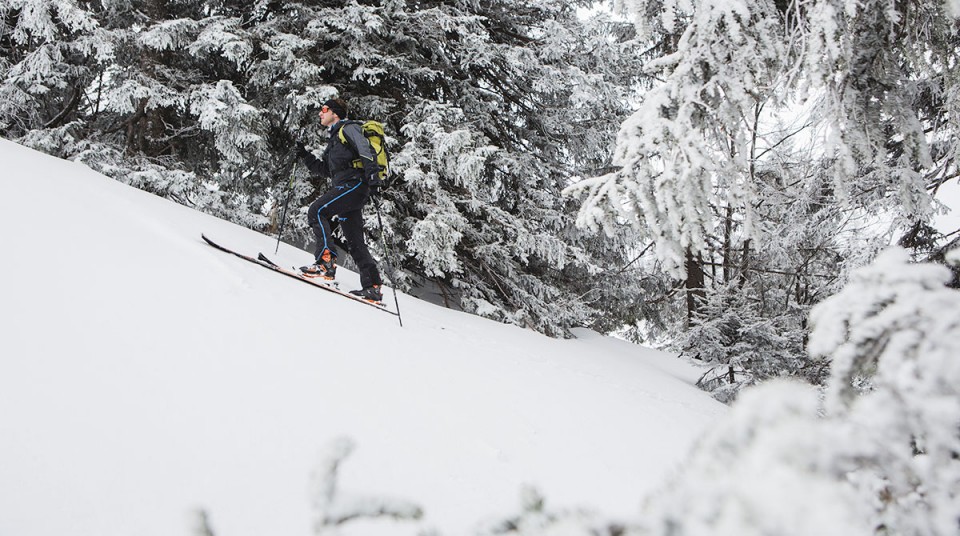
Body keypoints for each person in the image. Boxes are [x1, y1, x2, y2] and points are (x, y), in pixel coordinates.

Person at [296, 97, 383, 303]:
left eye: (324, 109)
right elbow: (326, 170)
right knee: (354, 241)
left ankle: (325, 262)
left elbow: (365, 150)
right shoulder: (335, 140)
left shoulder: (349, 128)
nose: (320, 113)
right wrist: (304, 155)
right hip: (347, 187)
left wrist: (373, 179)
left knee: (317, 211)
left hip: (354, 185)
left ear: (335, 113)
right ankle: (372, 287)